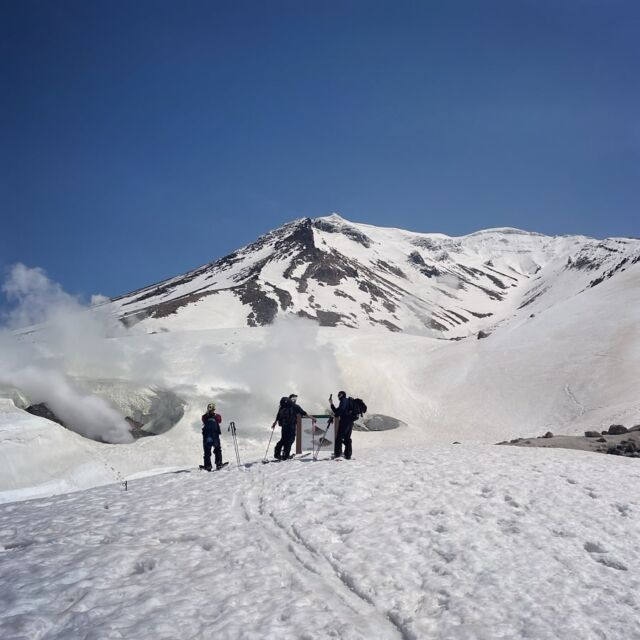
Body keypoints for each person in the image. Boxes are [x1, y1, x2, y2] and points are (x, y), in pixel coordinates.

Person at [271, 393, 316, 460]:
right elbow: (303, 413)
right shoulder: (295, 406)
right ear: (293, 399)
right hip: (291, 425)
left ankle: (277, 453)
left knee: (283, 439)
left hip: (284, 425)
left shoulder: (283, 406)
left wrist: (275, 422)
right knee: (290, 440)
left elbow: (278, 415)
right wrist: (311, 418)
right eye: (295, 399)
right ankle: (286, 455)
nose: (295, 400)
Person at [330, 391, 354, 460]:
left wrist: (334, 416)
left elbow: (341, 410)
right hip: (350, 422)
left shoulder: (344, 400)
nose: (338, 396)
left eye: (339, 395)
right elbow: (337, 410)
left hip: (345, 421)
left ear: (343, 395)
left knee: (339, 438)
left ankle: (337, 454)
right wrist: (331, 404)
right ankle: (348, 455)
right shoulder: (346, 401)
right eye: (338, 395)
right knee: (347, 438)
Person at [201, 402, 224, 470]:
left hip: (206, 436)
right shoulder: (217, 416)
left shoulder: (204, 416)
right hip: (215, 435)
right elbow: (219, 421)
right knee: (217, 449)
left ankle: (208, 466)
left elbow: (203, 421)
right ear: (214, 409)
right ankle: (219, 464)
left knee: (207, 451)